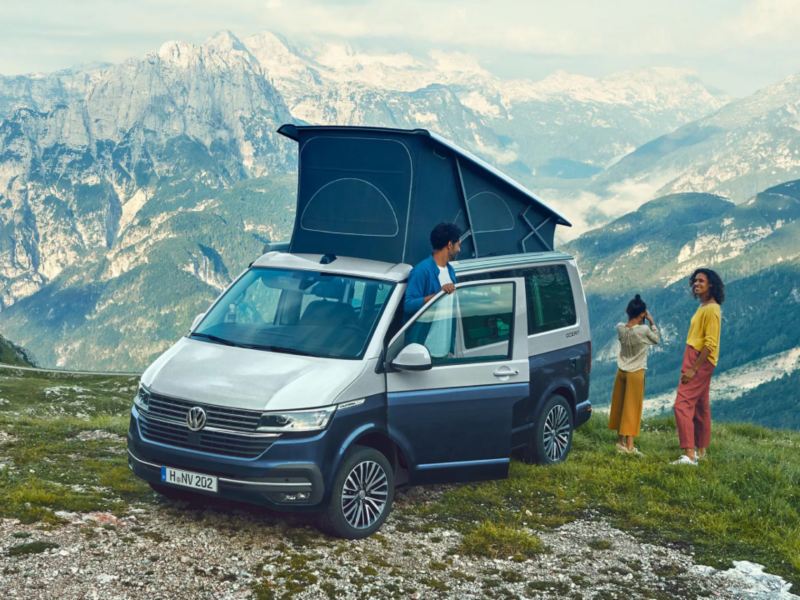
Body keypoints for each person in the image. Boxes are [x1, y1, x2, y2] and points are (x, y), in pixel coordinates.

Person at [671, 268, 724, 466]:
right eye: (694, 281)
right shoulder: (705, 307)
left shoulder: (711, 309)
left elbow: (710, 344)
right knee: (701, 406)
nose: (696, 284)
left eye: (701, 280)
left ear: (711, 284)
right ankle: (701, 450)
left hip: (698, 359)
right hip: (697, 357)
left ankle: (689, 455)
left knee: (682, 404)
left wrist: (693, 368)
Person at [608, 294, 660, 455]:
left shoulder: (620, 328)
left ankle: (620, 442)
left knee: (621, 405)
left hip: (621, 371)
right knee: (632, 408)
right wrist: (651, 322)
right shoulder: (644, 330)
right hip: (636, 372)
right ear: (642, 314)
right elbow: (656, 340)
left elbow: (626, 329)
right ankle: (630, 447)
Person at [404, 222, 461, 320]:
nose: (459, 250)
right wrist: (438, 295)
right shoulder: (421, 271)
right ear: (450, 245)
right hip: (425, 335)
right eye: (458, 245)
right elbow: (408, 306)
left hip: (446, 333)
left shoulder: (451, 270)